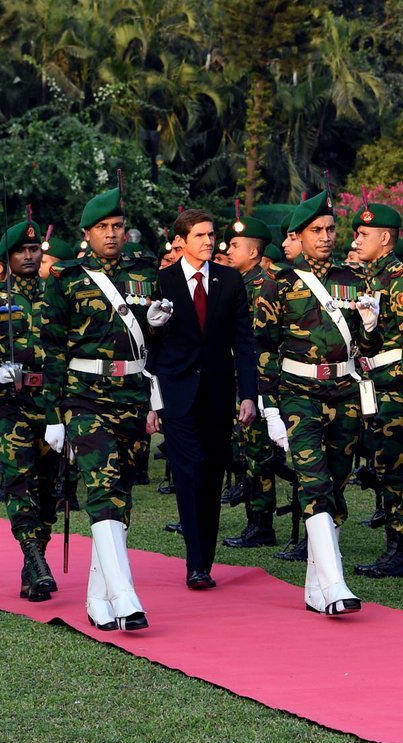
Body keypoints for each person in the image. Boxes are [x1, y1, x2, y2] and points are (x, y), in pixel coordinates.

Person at [253, 189, 382, 614]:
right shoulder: (280, 282)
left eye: (330, 229)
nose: (326, 237)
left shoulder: (355, 278)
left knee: (338, 484)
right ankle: (336, 583)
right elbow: (264, 347)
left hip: (344, 392)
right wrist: (270, 406)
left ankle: (316, 588)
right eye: (316, 230)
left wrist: (369, 325)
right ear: (298, 236)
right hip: (298, 395)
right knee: (314, 482)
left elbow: (368, 346)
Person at [41, 183, 156, 631]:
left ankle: (98, 600)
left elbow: (156, 347)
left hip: (133, 396)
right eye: (103, 227)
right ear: (86, 232)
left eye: (118, 226)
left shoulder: (146, 273)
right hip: (85, 398)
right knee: (103, 490)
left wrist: (158, 328)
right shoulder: (67, 279)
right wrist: (53, 415)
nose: (112, 234)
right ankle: (126, 597)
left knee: (121, 497)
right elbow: (49, 351)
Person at [146, 208, 258, 586]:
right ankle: (195, 565)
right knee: (189, 471)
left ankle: (204, 561)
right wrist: (152, 402)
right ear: (180, 241)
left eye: (212, 235)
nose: (209, 241)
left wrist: (248, 396)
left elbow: (243, 341)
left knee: (211, 474)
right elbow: (149, 346)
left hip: (218, 392)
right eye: (200, 236)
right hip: (176, 394)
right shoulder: (161, 281)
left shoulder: (229, 280)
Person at [0, 218, 61, 603]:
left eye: (34, 249)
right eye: (21, 250)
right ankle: (34, 559)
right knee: (20, 480)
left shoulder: (58, 296)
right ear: (8, 258)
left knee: (50, 486)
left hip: (51, 401)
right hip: (9, 403)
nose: (30, 255)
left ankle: (34, 561)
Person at [349, 198, 403, 579]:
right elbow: (369, 342)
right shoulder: (371, 280)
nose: (356, 241)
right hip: (376, 383)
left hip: (397, 385)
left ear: (385, 238)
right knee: (385, 467)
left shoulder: (400, 282)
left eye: (364, 235)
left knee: (400, 471)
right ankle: (396, 545)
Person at [220, 213, 280, 550]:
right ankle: (255, 521)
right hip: (242, 381)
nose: (228, 250)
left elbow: (258, 339)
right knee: (248, 453)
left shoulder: (263, 286)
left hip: (258, 382)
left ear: (254, 252)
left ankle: (262, 524)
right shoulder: (240, 283)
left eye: (236, 245)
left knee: (258, 455)